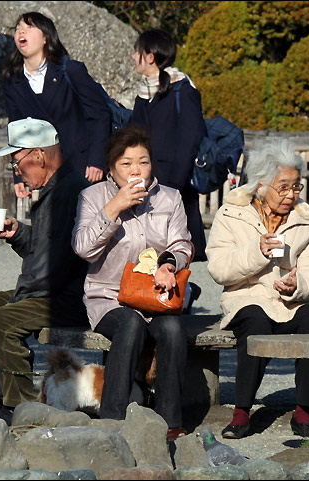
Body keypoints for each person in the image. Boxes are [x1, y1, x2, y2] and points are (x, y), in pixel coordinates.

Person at [72, 126, 193, 440]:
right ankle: (112, 421)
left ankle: (170, 424)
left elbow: (183, 244)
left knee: (172, 329)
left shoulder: (169, 197)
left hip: (157, 295)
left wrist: (169, 265)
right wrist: (115, 207)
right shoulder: (92, 196)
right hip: (109, 296)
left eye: (143, 161)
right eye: (126, 163)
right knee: (130, 325)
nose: (136, 170)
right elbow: (83, 248)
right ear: (111, 167)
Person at [206, 139, 309, 439]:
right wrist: (256, 252)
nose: (291, 195)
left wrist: (297, 284)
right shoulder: (231, 213)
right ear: (261, 186)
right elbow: (219, 269)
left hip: (290, 300)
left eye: (296, 187)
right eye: (283, 187)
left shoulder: (306, 220)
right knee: (256, 322)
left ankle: (303, 412)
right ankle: (241, 413)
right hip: (247, 296)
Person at [0, 118, 90, 422]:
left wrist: (19, 299)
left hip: (71, 297)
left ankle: (23, 407)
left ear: (39, 155)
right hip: (55, 289)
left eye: (17, 161)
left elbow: (57, 267)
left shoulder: (67, 193)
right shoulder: (57, 189)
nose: (17, 170)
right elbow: (46, 249)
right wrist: (20, 234)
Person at [2, 11, 110, 198]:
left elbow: (100, 115)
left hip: (83, 168)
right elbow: (17, 129)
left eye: (29, 27)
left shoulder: (71, 71)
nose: (21, 32)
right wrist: (19, 175)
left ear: (45, 37)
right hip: (45, 172)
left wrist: (97, 160)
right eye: (18, 28)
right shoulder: (13, 80)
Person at [129, 29, 207, 267]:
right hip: (147, 184)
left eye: (137, 51)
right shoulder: (144, 94)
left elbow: (190, 140)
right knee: (146, 256)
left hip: (174, 186)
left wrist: (172, 187)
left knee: (176, 253)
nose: (133, 57)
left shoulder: (183, 90)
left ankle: (184, 296)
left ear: (150, 57)